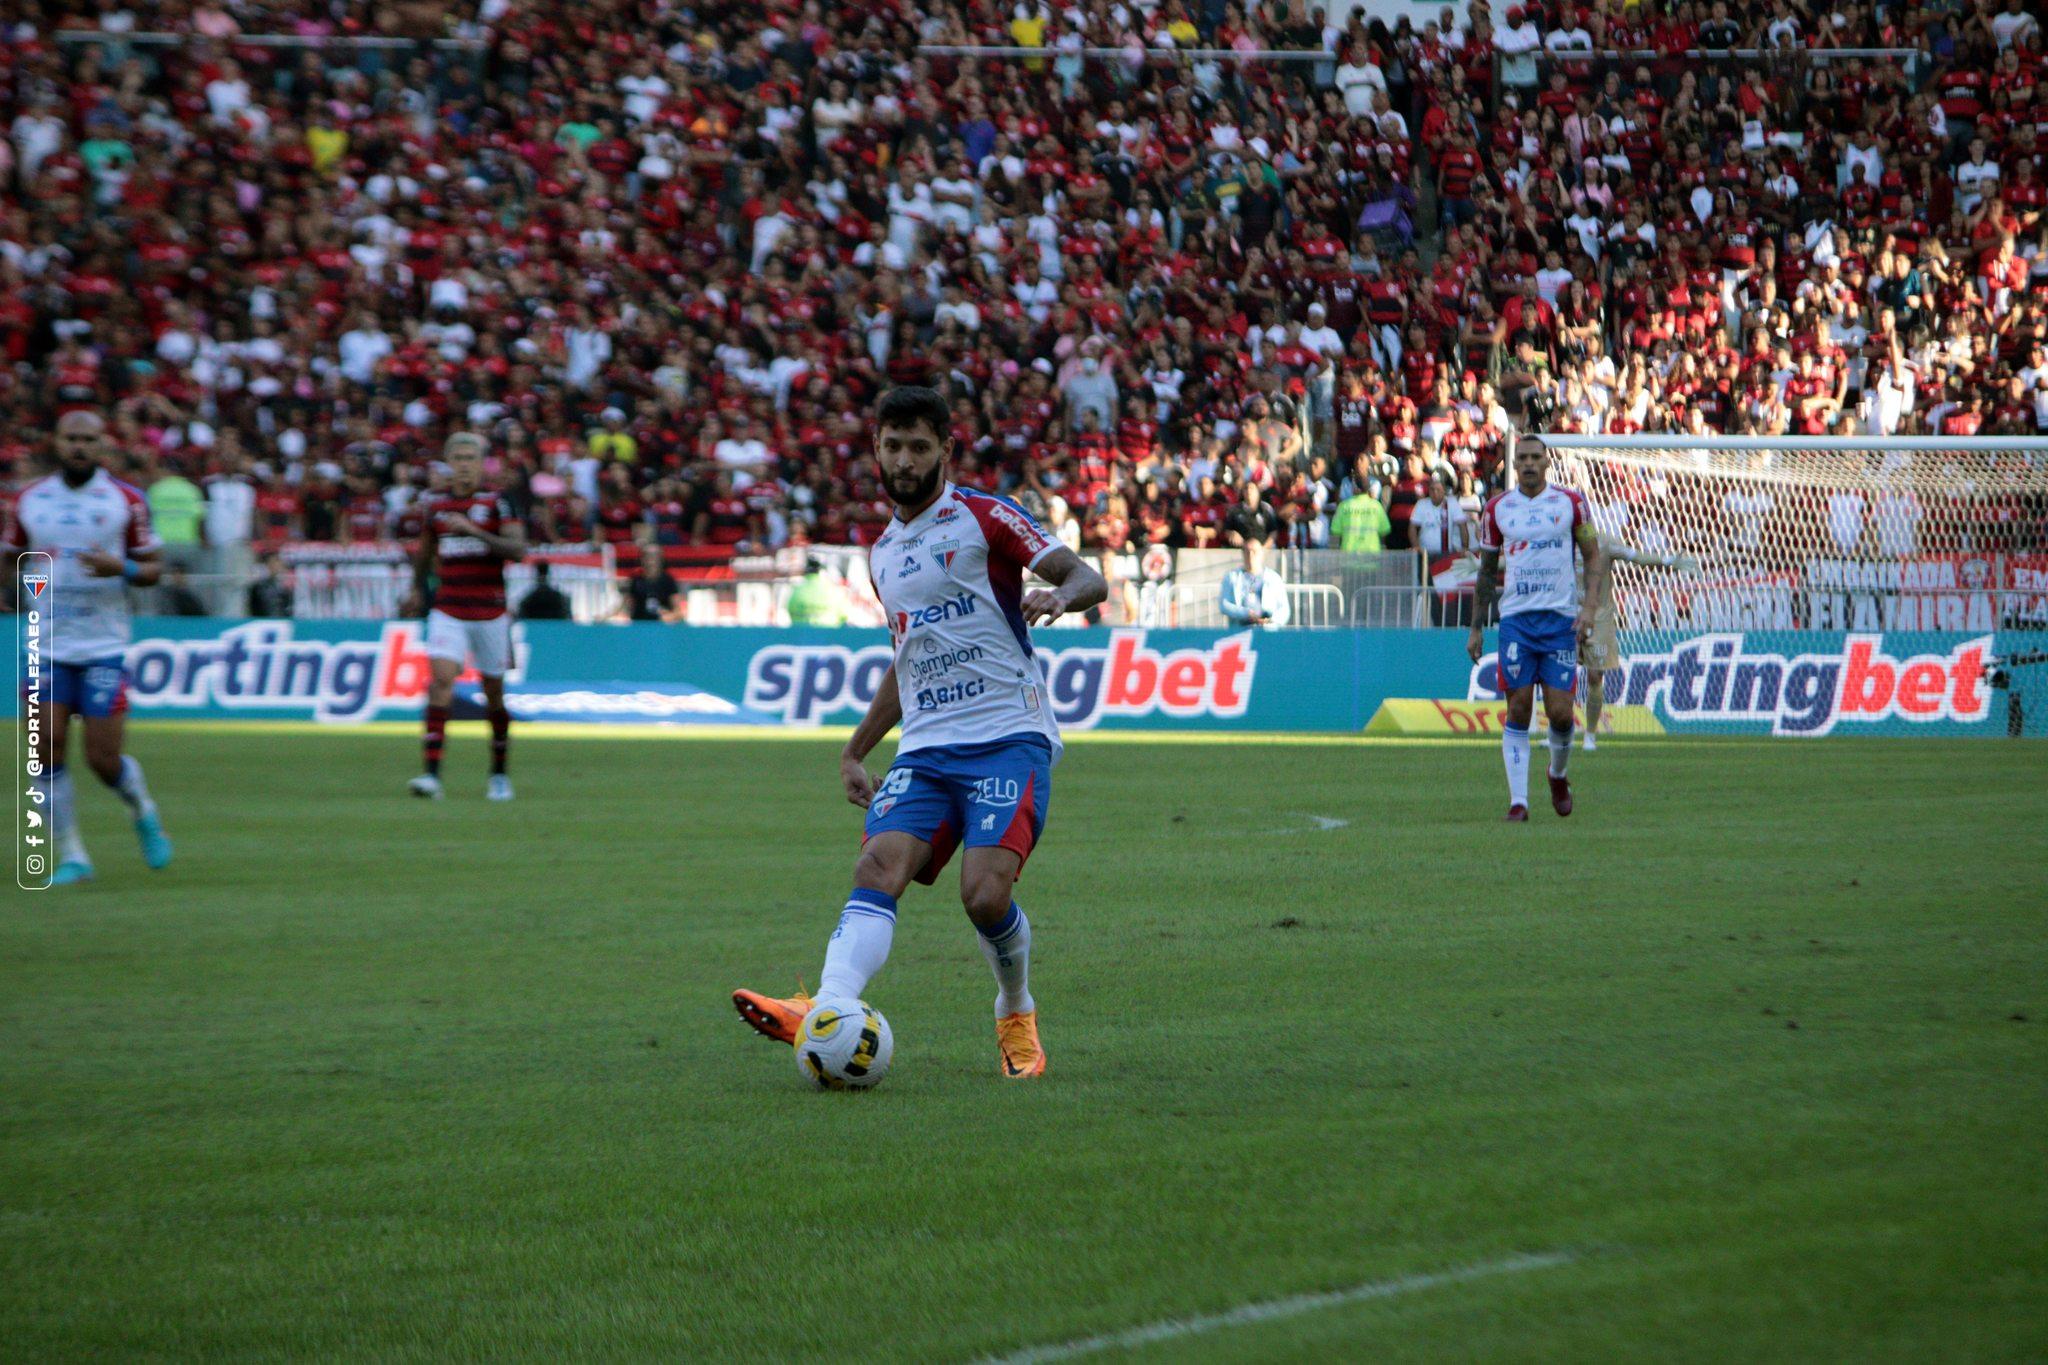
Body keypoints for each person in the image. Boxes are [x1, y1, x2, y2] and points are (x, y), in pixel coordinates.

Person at [732, 386, 1107, 1080]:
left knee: (985, 895)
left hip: (1007, 735)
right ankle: (825, 1006)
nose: (904, 460)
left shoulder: (983, 516)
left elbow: (1087, 575)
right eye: (893, 445)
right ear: (876, 448)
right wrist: (855, 748)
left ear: (946, 451)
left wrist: (1061, 595)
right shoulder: (882, 554)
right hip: (927, 747)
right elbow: (908, 663)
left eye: (919, 446)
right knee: (877, 866)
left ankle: (1015, 1010)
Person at [3, 410, 174, 883]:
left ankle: (142, 808)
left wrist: (121, 568)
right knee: (46, 746)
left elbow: (156, 567)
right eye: (70, 438)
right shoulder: (30, 500)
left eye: (88, 439)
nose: (78, 446)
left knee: (103, 759)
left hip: (103, 645)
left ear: (102, 445)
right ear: (56, 442)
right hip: (46, 644)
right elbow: (11, 557)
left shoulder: (126, 501)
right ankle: (73, 855)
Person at [1468, 436, 1601, 821]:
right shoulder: (1497, 509)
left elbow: (1592, 556)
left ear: (1547, 463)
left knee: (1561, 715)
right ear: (1514, 465)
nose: (1528, 464)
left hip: (1560, 621)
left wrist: (1589, 609)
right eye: (1522, 458)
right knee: (1519, 709)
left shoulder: (1571, 503)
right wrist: (1476, 627)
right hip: (1516, 623)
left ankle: (1557, 774)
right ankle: (1519, 802)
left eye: (1535, 458)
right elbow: (1487, 571)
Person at [401, 433, 527, 802]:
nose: (464, 464)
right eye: (458, 457)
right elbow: (425, 553)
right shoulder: (435, 505)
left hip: (489, 611)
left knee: (494, 696)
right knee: (440, 682)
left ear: (482, 462)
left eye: (471, 457)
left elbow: (518, 549)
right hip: (448, 608)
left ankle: (499, 774)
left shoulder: (498, 502)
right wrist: (414, 588)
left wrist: (475, 531)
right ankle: (431, 777)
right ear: (449, 462)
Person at [1579, 534, 1699, 750]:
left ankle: (1590, 734)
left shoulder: (1604, 543)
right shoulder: (1556, 541)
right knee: (1557, 675)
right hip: (1564, 615)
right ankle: (1558, 732)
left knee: (1595, 676)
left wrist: (1669, 561)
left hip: (1599, 617)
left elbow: (1637, 558)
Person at [1219, 541, 1291, 627]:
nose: (1250, 555)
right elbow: (1224, 604)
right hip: (1239, 630)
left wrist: (1270, 621)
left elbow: (1284, 609)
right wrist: (1245, 613)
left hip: (1267, 632)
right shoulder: (1231, 577)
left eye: (1254, 551)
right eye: (1247, 552)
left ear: (1262, 554)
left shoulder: (1274, 578)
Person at [618, 546, 683, 622]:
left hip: (661, 627)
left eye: (654, 557)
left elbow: (678, 611)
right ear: (642, 560)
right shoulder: (635, 580)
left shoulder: (668, 581)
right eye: (647, 557)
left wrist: (670, 616)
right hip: (639, 625)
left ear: (661, 559)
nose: (651, 561)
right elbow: (625, 606)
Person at [1331, 485, 1393, 551]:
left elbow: (1335, 530)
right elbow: (1385, 529)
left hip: (1349, 552)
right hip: (1371, 552)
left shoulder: (1344, 506)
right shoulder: (1376, 506)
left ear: (1354, 488)